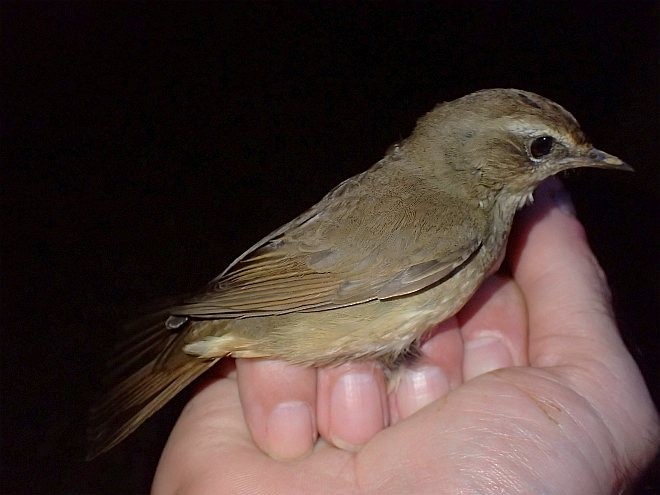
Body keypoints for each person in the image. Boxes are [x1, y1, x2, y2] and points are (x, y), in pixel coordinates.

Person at [152, 178, 658, 494]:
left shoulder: (454, 216)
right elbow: (314, 277)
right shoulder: (452, 226)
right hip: (265, 311)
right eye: (540, 150)